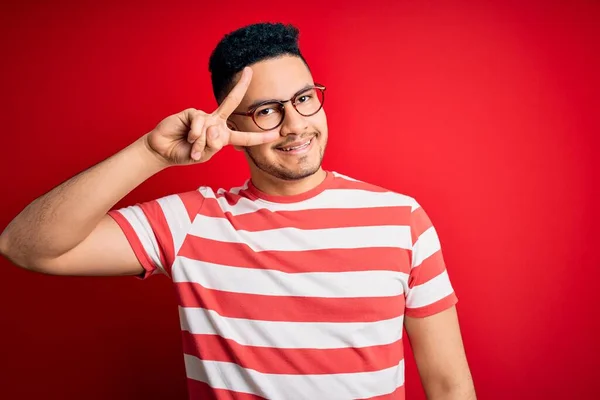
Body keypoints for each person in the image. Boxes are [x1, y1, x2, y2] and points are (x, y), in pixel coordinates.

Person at [0, 22, 476, 400]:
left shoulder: (401, 219)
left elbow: (450, 386)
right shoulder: (191, 223)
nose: (296, 125)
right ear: (227, 124)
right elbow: (23, 247)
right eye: (267, 110)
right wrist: (151, 152)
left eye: (305, 99)